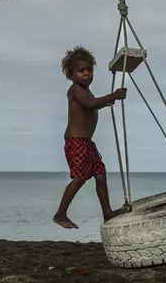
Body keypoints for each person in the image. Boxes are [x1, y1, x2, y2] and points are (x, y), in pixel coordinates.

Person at [53, 46, 131, 229]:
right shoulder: (75, 90)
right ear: (70, 74)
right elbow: (89, 104)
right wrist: (113, 95)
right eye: (81, 71)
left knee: (100, 175)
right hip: (76, 142)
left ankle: (107, 213)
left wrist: (106, 102)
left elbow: (91, 105)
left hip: (87, 143)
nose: (86, 74)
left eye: (89, 69)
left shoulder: (86, 92)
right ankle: (60, 213)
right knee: (79, 178)